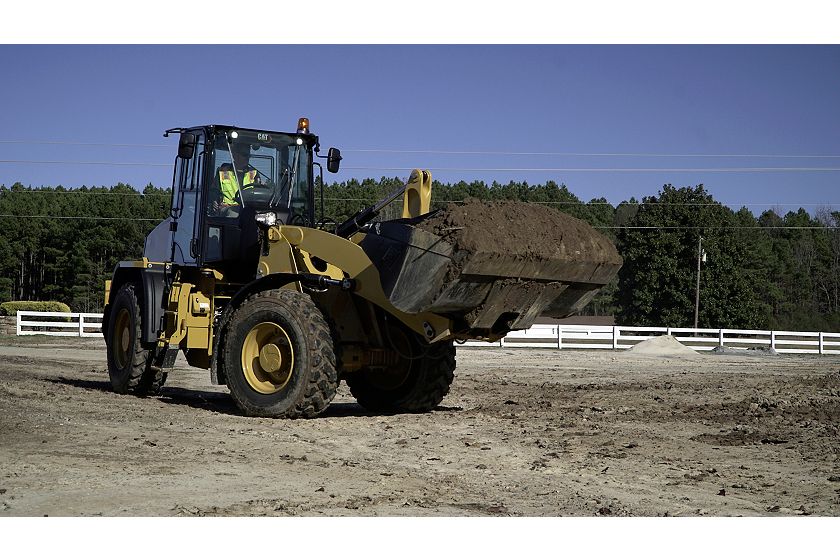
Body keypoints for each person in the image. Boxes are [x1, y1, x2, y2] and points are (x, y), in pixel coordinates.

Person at [213, 143, 260, 217]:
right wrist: (214, 201)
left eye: (248, 155)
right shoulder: (223, 172)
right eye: (244, 155)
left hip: (247, 209)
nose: (247, 158)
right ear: (235, 155)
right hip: (227, 209)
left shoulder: (253, 173)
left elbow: (258, 195)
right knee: (235, 214)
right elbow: (213, 191)